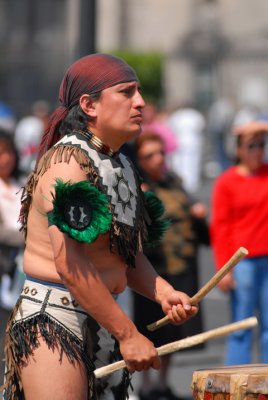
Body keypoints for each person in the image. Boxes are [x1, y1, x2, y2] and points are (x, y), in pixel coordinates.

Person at [1, 53, 198, 400]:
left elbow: (124, 254)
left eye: (138, 92)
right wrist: (127, 334)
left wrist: (164, 293)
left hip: (103, 318)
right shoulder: (68, 165)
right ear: (89, 105)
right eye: (126, 92)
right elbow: (71, 266)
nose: (140, 102)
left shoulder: (120, 162)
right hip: (55, 321)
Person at [133, 132, 209, 400]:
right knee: (150, 326)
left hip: (181, 263)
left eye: (161, 153)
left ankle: (163, 383)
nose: (158, 159)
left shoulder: (173, 181)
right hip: (153, 269)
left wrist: (198, 215)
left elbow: (191, 214)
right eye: (149, 155)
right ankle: (146, 384)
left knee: (175, 327)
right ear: (139, 160)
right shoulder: (137, 186)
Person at [210, 120, 268, 365]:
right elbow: (220, 227)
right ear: (239, 150)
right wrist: (224, 269)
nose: (257, 150)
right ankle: (236, 383)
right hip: (242, 262)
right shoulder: (226, 182)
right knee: (241, 323)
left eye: (261, 144)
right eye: (251, 145)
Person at [0, 129, 25, 310]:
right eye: (1, 154)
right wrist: (30, 236)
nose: (6, 159)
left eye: (9, 152)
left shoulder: (23, 183)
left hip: (24, 266)